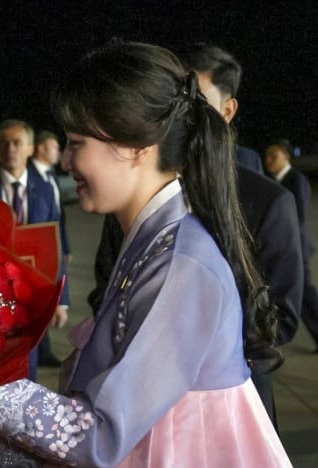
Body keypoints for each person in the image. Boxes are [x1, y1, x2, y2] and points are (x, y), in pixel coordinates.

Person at [0, 41, 315, 468]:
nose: (65, 162)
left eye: (77, 144)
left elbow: (96, 435)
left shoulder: (179, 264)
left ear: (135, 146)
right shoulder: (151, 240)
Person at [86, 43, 303, 428]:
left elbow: (281, 318)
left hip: (229, 410)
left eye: (193, 101)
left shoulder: (269, 201)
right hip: (131, 403)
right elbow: (105, 282)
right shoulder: (134, 193)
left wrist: (187, 353)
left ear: (227, 110)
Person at [0, 119, 69, 381]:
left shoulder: (45, 190)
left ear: (30, 148)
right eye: (4, 143)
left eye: (17, 143)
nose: (10, 149)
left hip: (33, 290)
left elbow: (55, 243)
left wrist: (61, 298)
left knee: (27, 362)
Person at [265, 138, 318, 354]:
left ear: (286, 157)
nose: (269, 161)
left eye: (274, 156)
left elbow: (300, 217)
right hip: (286, 249)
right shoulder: (274, 179)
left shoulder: (296, 179)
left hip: (296, 249)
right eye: (267, 156)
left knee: (306, 294)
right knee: (301, 295)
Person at [29, 130, 71, 367]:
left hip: (53, 246)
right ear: (40, 149)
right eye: (55, 147)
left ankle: (44, 350)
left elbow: (58, 217)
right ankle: (41, 351)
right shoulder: (31, 178)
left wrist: (65, 246)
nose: (59, 152)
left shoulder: (49, 178)